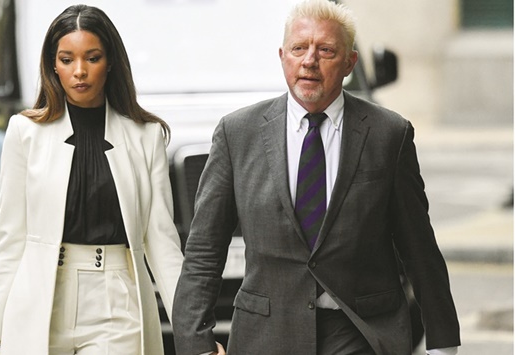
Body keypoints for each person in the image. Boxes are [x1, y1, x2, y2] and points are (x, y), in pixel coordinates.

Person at [172, 0, 460, 354]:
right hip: (266, 333)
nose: (309, 60)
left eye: (326, 50)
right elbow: (205, 248)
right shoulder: (238, 133)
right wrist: (195, 341)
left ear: (350, 62)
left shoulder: (389, 134)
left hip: (360, 331)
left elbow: (419, 249)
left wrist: (443, 344)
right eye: (299, 48)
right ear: (282, 57)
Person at [0, 4, 183, 355]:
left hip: (117, 302)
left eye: (93, 57)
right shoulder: (25, 132)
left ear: (111, 61)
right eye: (67, 59)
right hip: (40, 300)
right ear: (53, 66)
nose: (80, 71)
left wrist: (194, 332)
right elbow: (11, 240)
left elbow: (162, 243)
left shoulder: (146, 136)